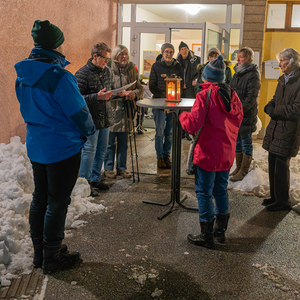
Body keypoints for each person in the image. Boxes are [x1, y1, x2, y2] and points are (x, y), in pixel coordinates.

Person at [14, 20, 95, 274]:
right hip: (62, 148)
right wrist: (89, 130)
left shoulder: (22, 75)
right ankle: (52, 258)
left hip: (37, 146)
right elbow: (79, 113)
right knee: (58, 202)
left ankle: (41, 254)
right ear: (57, 44)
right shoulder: (59, 76)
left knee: (40, 198)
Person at [179, 55, 243, 249]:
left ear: (206, 77)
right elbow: (238, 120)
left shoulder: (205, 95)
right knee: (220, 190)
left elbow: (192, 125)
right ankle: (220, 232)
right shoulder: (233, 95)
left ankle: (206, 236)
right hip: (226, 152)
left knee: (204, 193)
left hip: (207, 153)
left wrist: (182, 115)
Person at [262, 48, 300, 211]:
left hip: (289, 129)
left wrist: (275, 110)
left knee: (281, 165)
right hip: (277, 127)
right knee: (273, 161)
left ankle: (283, 202)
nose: (279, 64)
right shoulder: (283, 79)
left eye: (282, 60)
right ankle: (275, 196)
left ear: (292, 60)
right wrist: (268, 106)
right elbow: (275, 99)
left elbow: (297, 109)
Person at [75, 42, 114, 193]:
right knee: (89, 150)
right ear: (95, 56)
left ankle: (96, 178)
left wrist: (117, 93)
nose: (107, 62)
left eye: (108, 59)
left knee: (102, 151)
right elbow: (76, 99)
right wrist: (96, 97)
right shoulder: (82, 74)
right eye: (105, 58)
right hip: (90, 120)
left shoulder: (107, 71)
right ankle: (84, 184)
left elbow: (108, 92)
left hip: (105, 118)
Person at [104, 45, 143, 179]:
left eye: (126, 54)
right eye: (121, 54)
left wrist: (133, 93)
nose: (124, 57)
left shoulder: (131, 69)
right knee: (110, 142)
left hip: (126, 110)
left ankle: (122, 168)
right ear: (115, 56)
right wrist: (118, 94)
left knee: (123, 142)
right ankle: (108, 168)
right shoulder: (108, 69)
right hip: (111, 110)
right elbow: (104, 89)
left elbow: (139, 88)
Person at [149, 43, 184, 169]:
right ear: (162, 53)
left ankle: (166, 155)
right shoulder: (156, 66)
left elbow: (181, 83)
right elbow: (152, 85)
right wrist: (163, 95)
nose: (168, 54)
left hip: (173, 105)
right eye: (166, 52)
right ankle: (159, 157)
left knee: (169, 132)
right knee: (159, 132)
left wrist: (174, 97)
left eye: (170, 52)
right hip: (159, 104)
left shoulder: (178, 66)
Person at [229, 46, 261, 182]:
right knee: (237, 142)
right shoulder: (237, 72)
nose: (238, 59)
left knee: (246, 142)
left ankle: (244, 170)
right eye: (238, 56)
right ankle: (238, 167)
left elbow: (250, 97)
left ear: (248, 58)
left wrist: (239, 110)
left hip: (246, 115)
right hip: (235, 114)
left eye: (241, 57)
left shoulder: (253, 74)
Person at [177, 41, 201, 140]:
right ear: (179, 51)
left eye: (185, 48)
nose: (184, 50)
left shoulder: (196, 60)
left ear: (188, 49)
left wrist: (196, 80)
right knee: (181, 111)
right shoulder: (177, 62)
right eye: (182, 49)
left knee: (191, 111)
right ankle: (181, 131)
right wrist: (180, 84)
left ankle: (189, 132)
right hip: (181, 90)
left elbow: (199, 72)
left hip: (192, 89)